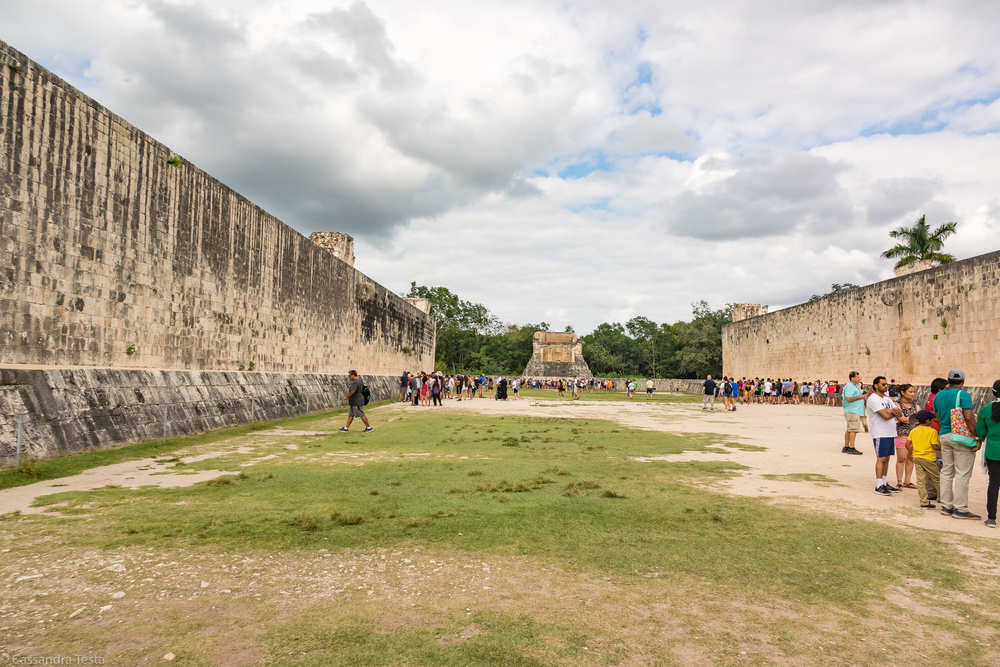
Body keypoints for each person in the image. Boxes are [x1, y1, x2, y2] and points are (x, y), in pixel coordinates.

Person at [933, 369, 980, 520]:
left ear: (948, 380)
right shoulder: (963, 395)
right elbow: (968, 416)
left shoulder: (938, 396)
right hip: (959, 436)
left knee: (946, 471)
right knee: (962, 473)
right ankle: (960, 508)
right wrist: (975, 434)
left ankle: (946, 506)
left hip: (944, 435)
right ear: (963, 382)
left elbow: (938, 416)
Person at [868, 376, 903, 495]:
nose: (886, 386)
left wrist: (892, 412)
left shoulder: (887, 398)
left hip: (890, 432)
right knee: (881, 458)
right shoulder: (873, 399)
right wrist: (893, 412)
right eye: (883, 384)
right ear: (876, 385)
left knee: (887, 458)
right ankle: (878, 485)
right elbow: (886, 415)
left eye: (886, 384)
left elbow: (898, 412)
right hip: (880, 432)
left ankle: (884, 482)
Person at [976, 380, 1000, 528]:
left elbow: (981, 431)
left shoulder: (986, 409)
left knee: (994, 484)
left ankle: (991, 518)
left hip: (993, 451)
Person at [907, 410, 941, 509]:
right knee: (937, 479)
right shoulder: (932, 431)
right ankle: (943, 499)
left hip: (917, 457)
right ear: (927, 421)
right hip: (928, 458)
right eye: (932, 420)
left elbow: (907, 444)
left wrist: (911, 453)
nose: (932, 422)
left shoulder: (914, 430)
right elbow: (934, 445)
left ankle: (924, 502)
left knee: (920, 481)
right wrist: (942, 448)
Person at [894, 384, 918, 489]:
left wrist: (910, 420)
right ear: (903, 392)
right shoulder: (896, 404)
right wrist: (915, 420)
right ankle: (899, 481)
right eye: (910, 391)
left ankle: (907, 481)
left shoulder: (916, 405)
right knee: (901, 458)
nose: (913, 394)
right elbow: (902, 419)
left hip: (914, 435)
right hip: (901, 433)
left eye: (913, 392)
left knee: (911, 458)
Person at [842, 371, 865, 455]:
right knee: (853, 430)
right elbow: (848, 398)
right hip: (852, 410)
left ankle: (846, 447)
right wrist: (861, 397)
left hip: (854, 410)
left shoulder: (855, 386)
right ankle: (851, 448)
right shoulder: (850, 386)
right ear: (852, 378)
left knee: (849, 429)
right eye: (858, 377)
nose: (860, 379)